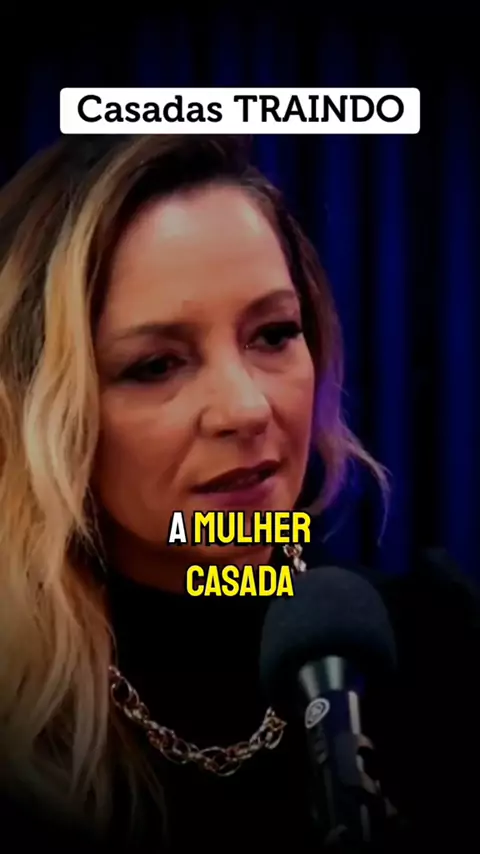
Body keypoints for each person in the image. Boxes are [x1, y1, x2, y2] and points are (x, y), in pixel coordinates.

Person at [0, 133, 478, 853]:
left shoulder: (440, 645)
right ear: (43, 412)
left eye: (274, 333)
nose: (247, 409)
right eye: (156, 365)